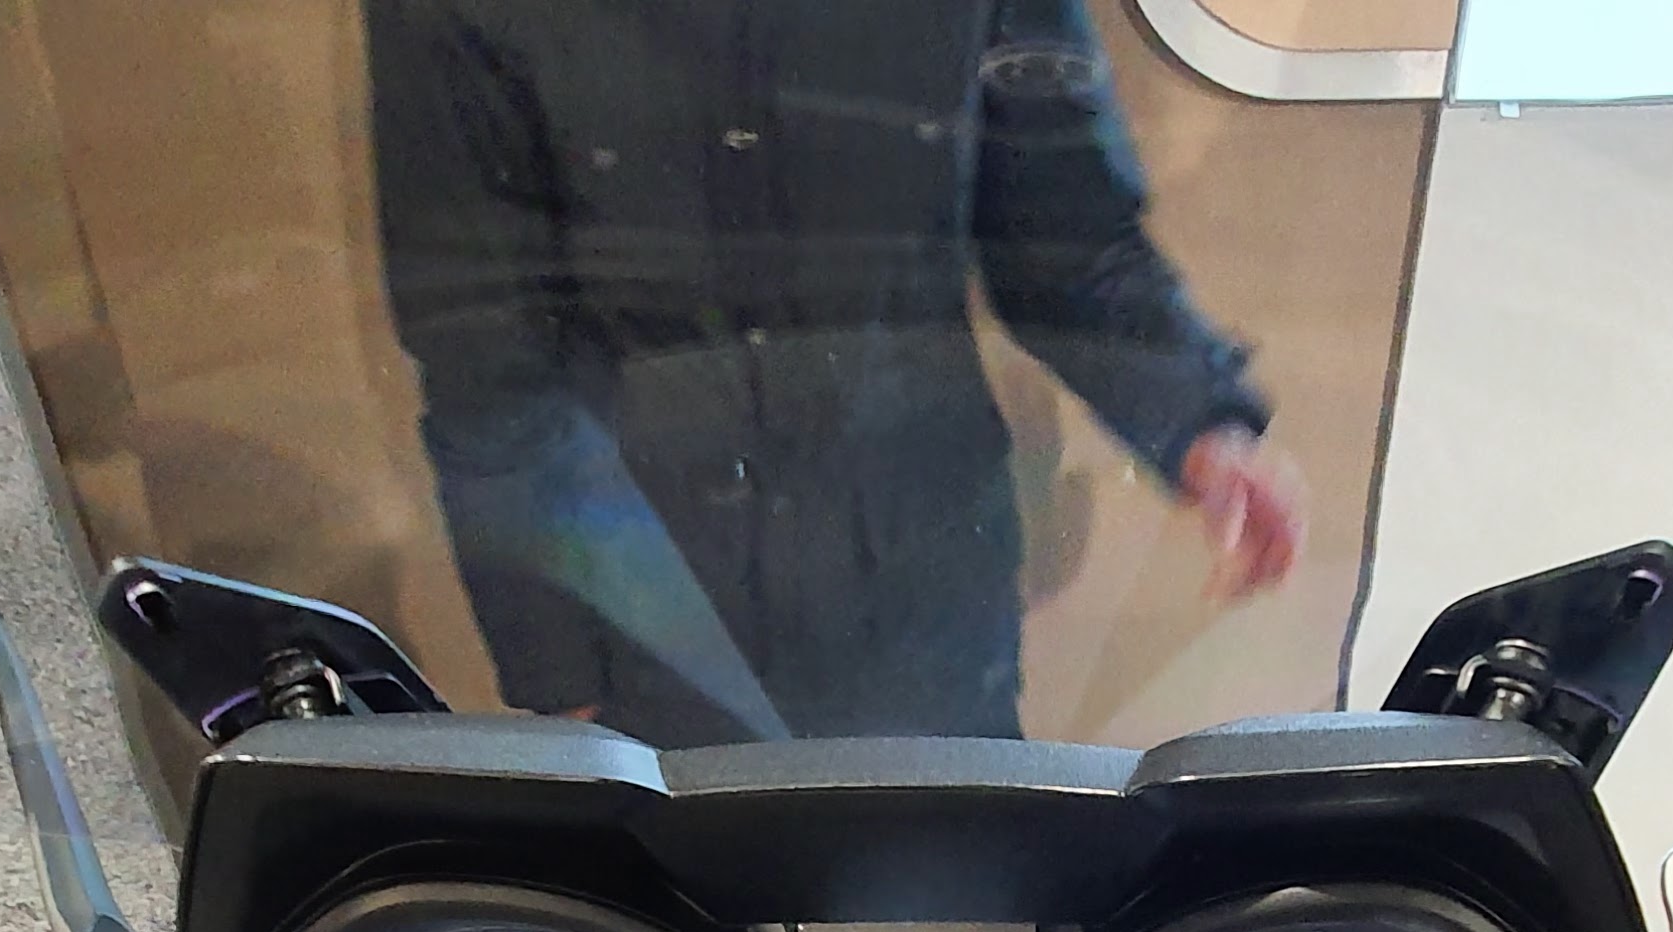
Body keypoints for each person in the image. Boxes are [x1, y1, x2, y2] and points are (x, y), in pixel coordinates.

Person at [366, 0, 1304, 746]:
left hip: (925, 598)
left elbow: (1066, 232)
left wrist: (1202, 425)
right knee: (686, 927)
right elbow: (484, 346)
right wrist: (560, 673)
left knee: (945, 911)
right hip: (645, 602)